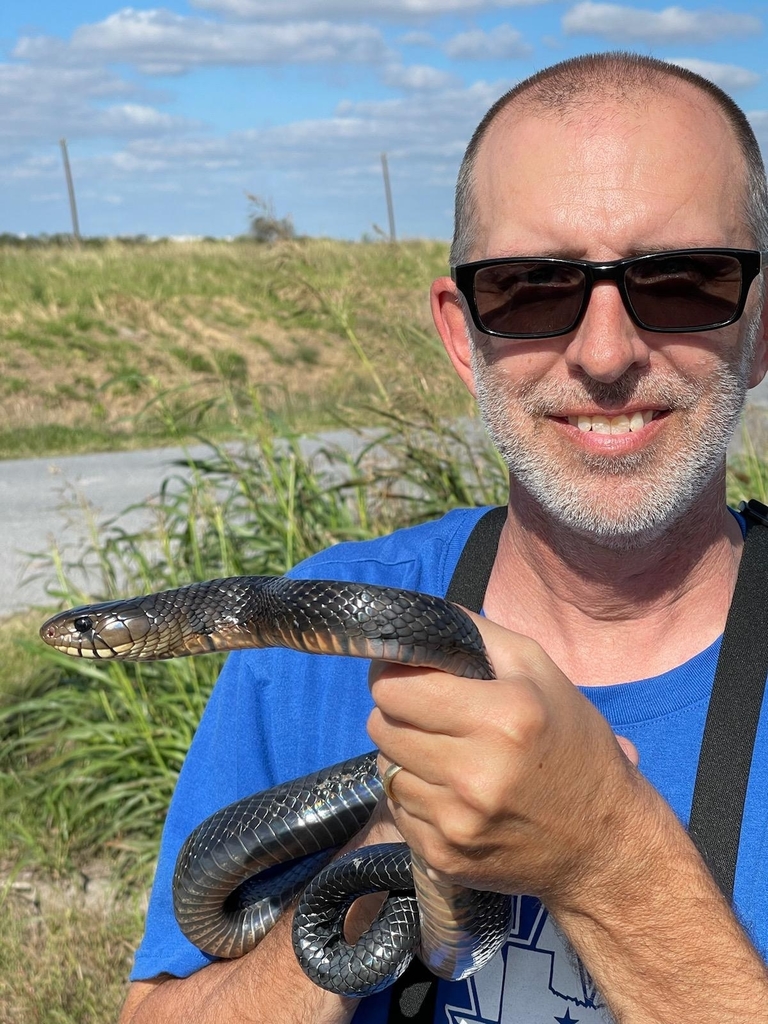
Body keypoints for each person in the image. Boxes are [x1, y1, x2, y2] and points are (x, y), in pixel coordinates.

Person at [119, 51, 768, 1024]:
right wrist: (397, 829)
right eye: (531, 289)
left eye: (680, 281)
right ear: (465, 335)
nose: (604, 354)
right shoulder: (298, 642)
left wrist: (603, 847)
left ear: (761, 329)